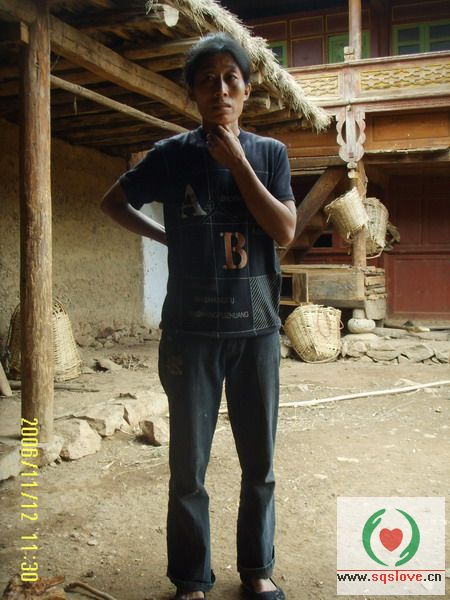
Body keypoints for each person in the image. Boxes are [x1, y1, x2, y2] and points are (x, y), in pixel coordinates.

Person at [101, 33, 296, 600]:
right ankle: (191, 579)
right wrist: (167, 236)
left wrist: (238, 163)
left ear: (248, 89)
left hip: (256, 331)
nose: (220, 90)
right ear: (192, 92)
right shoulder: (172, 156)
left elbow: (284, 230)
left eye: (231, 78)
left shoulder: (269, 154)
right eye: (207, 80)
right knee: (188, 467)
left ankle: (257, 569)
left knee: (259, 462)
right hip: (190, 333)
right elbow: (114, 201)